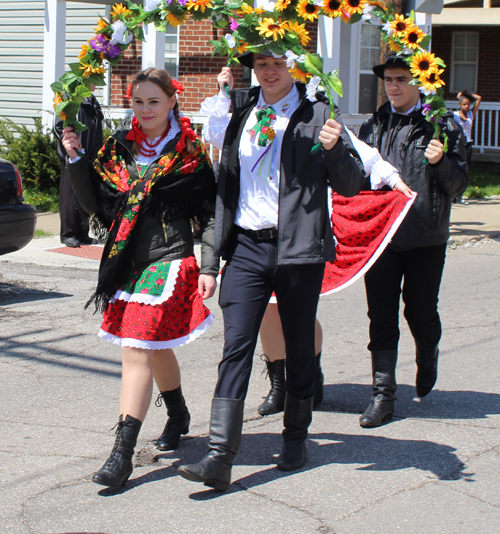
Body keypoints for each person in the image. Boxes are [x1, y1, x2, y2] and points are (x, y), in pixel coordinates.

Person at [177, 50, 365, 491]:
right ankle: (220, 457)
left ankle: (296, 436)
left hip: (298, 249)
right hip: (245, 247)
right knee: (236, 346)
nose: (270, 71)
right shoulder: (239, 110)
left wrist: (336, 150)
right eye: (261, 64)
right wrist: (212, 256)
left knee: (298, 346)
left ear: (293, 67)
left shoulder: (318, 113)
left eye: (278, 62)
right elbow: (223, 183)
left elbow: (352, 183)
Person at [61, 68, 218, 488]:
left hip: (171, 259)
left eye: (154, 101)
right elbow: (96, 203)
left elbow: (209, 212)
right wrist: (75, 158)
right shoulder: (117, 148)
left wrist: (209, 265)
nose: (145, 109)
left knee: (137, 347)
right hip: (126, 258)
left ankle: (122, 455)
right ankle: (180, 413)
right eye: (137, 102)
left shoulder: (190, 151)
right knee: (157, 347)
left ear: (172, 101)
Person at [257, 132, 413, 416]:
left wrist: (393, 181)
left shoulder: (316, 112)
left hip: (303, 220)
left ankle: (310, 378)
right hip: (261, 220)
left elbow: (361, 153)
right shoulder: (258, 113)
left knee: (295, 309)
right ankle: (278, 385)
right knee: (268, 308)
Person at [356, 53, 468, 428]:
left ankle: (428, 352)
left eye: (401, 78)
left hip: (426, 237)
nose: (394, 86)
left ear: (420, 81)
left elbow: (458, 187)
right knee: (381, 317)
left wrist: (440, 163)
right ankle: (383, 395)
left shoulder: (441, 125)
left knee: (420, 312)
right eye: (388, 79)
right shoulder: (373, 127)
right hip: (382, 238)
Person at [55, 88, 104, 247]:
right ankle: (68, 233)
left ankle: (83, 232)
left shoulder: (92, 101)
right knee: (70, 195)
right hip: (74, 154)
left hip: (90, 153)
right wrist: (71, 149)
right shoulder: (70, 101)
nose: (93, 85)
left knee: (86, 194)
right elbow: (59, 126)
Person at [453, 89, 481, 204]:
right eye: (464, 104)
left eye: (468, 105)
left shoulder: (470, 114)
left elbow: (478, 98)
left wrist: (464, 95)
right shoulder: (454, 115)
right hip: (457, 144)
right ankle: (453, 194)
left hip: (468, 144)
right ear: (460, 104)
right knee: (456, 169)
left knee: (465, 169)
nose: (467, 107)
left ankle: (460, 195)